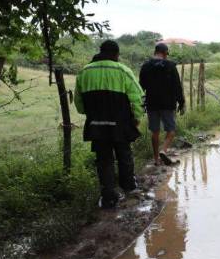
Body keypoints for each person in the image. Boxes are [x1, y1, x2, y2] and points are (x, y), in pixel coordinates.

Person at [74, 40, 144, 209]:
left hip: (97, 125)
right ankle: (128, 186)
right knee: (124, 154)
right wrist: (137, 117)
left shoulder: (84, 72)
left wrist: (90, 113)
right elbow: (138, 98)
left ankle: (108, 196)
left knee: (104, 159)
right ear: (116, 54)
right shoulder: (123, 70)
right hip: (120, 123)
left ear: (100, 52)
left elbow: (79, 103)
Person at [139, 42, 185, 166]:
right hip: (168, 103)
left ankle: (156, 159)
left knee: (155, 131)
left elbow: (141, 86)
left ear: (155, 52)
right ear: (165, 53)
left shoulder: (146, 66)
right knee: (171, 130)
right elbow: (177, 86)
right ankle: (163, 150)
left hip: (152, 103)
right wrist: (181, 102)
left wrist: (140, 103)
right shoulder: (170, 66)